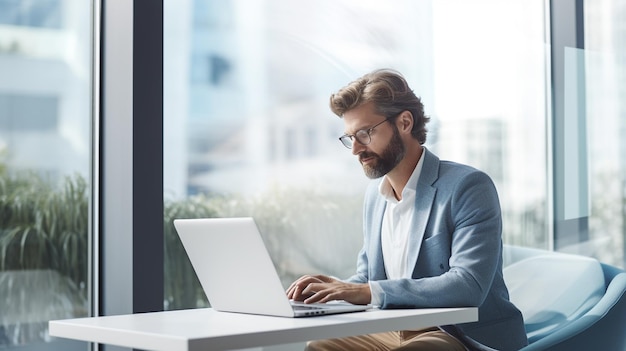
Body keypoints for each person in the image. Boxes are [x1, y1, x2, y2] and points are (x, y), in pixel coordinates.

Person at [286, 69, 528, 351]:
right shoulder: (375, 197)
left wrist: (363, 291)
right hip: (391, 328)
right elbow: (369, 280)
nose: (355, 150)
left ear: (404, 122)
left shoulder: (468, 187)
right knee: (320, 347)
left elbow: (467, 285)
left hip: (458, 333)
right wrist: (331, 291)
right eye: (349, 138)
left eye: (364, 134)